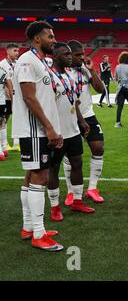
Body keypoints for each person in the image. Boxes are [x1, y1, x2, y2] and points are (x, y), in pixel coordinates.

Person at [11, 21, 62, 251]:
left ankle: (29, 227)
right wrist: (49, 128)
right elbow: (29, 98)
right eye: (50, 36)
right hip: (34, 130)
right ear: (37, 39)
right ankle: (39, 234)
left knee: (32, 176)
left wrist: (53, 127)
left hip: (40, 129)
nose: (54, 40)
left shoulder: (40, 61)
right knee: (39, 177)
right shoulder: (26, 61)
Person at [45, 43, 95, 221]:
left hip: (73, 130)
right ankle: (55, 207)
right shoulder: (49, 76)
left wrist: (82, 121)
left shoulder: (68, 76)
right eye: (65, 54)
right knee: (53, 168)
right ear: (55, 56)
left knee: (77, 163)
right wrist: (50, 129)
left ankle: (77, 201)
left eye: (69, 54)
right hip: (57, 132)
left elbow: (74, 101)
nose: (69, 56)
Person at [64, 40, 106, 204]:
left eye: (83, 53)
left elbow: (100, 89)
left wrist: (92, 71)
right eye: (78, 55)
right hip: (68, 116)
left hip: (88, 114)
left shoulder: (85, 69)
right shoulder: (62, 70)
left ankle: (92, 188)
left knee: (98, 147)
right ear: (69, 55)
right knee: (70, 154)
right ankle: (70, 191)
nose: (82, 57)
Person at [0, 43, 20, 153]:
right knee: (4, 119)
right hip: (6, 97)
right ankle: (4, 144)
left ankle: (15, 143)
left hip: (16, 95)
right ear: (8, 52)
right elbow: (5, 84)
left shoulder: (17, 64)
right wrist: (12, 98)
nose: (17, 53)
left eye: (18, 51)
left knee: (15, 118)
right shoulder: (2, 64)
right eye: (15, 51)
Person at [115, 51, 128, 128]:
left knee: (120, 106)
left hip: (120, 88)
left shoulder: (117, 67)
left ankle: (117, 122)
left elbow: (116, 78)